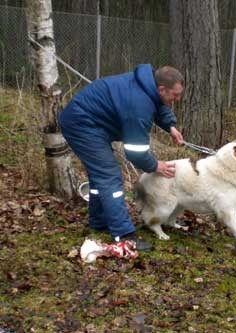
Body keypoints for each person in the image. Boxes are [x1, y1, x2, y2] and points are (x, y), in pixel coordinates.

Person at [59, 64, 184, 250]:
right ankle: (124, 236)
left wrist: (170, 126)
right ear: (161, 88)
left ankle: (99, 223)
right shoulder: (139, 105)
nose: (177, 99)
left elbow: (159, 103)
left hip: (91, 122)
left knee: (100, 178)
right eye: (175, 95)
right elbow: (135, 152)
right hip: (82, 124)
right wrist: (155, 165)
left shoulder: (149, 85)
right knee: (109, 176)